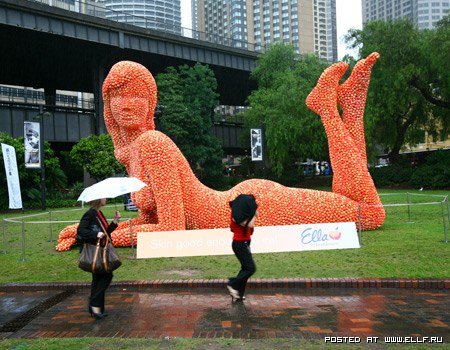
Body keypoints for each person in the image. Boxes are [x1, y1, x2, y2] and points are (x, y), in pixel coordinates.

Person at [57, 53, 386, 251]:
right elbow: (150, 221)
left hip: (255, 207)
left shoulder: (153, 144)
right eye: (117, 96)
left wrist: (98, 237)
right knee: (359, 203)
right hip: (238, 207)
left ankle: (333, 108)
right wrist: (96, 230)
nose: (127, 104)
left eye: (136, 95)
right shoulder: (135, 154)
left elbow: (172, 231)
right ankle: (348, 107)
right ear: (107, 106)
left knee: (369, 212)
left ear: (150, 103)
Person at [76, 198, 121, 319]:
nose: (105, 199)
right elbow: (80, 231)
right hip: (96, 251)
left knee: (98, 279)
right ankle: (94, 304)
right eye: (103, 197)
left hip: (102, 251)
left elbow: (105, 232)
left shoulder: (99, 213)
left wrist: (115, 221)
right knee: (107, 276)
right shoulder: (90, 213)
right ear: (98, 200)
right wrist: (95, 235)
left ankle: (97, 309)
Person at [227, 194, 258, 301]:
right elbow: (250, 225)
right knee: (250, 268)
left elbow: (234, 228)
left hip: (243, 243)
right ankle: (233, 284)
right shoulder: (237, 216)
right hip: (240, 244)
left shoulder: (240, 215)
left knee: (245, 268)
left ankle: (238, 294)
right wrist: (254, 214)